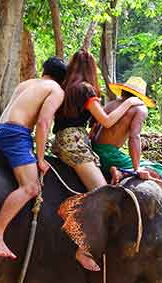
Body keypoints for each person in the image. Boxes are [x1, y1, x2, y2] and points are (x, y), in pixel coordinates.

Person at [52, 49, 143, 271]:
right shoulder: (85, 89)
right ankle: (83, 250)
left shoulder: (65, 88)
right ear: (90, 69)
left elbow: (93, 123)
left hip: (65, 140)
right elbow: (108, 121)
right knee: (103, 193)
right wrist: (130, 104)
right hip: (74, 143)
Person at [0, 57, 67, 259]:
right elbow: (43, 122)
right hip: (16, 134)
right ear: (63, 79)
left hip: (1, 130)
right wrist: (40, 158)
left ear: (44, 70)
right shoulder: (56, 90)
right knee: (31, 187)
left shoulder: (26, 83)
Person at [91, 77, 162, 185]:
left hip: (94, 150)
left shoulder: (111, 104)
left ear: (123, 90)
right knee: (159, 169)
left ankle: (120, 171)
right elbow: (134, 137)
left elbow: (95, 127)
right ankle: (123, 173)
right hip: (110, 156)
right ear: (140, 96)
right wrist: (137, 168)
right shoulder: (140, 109)